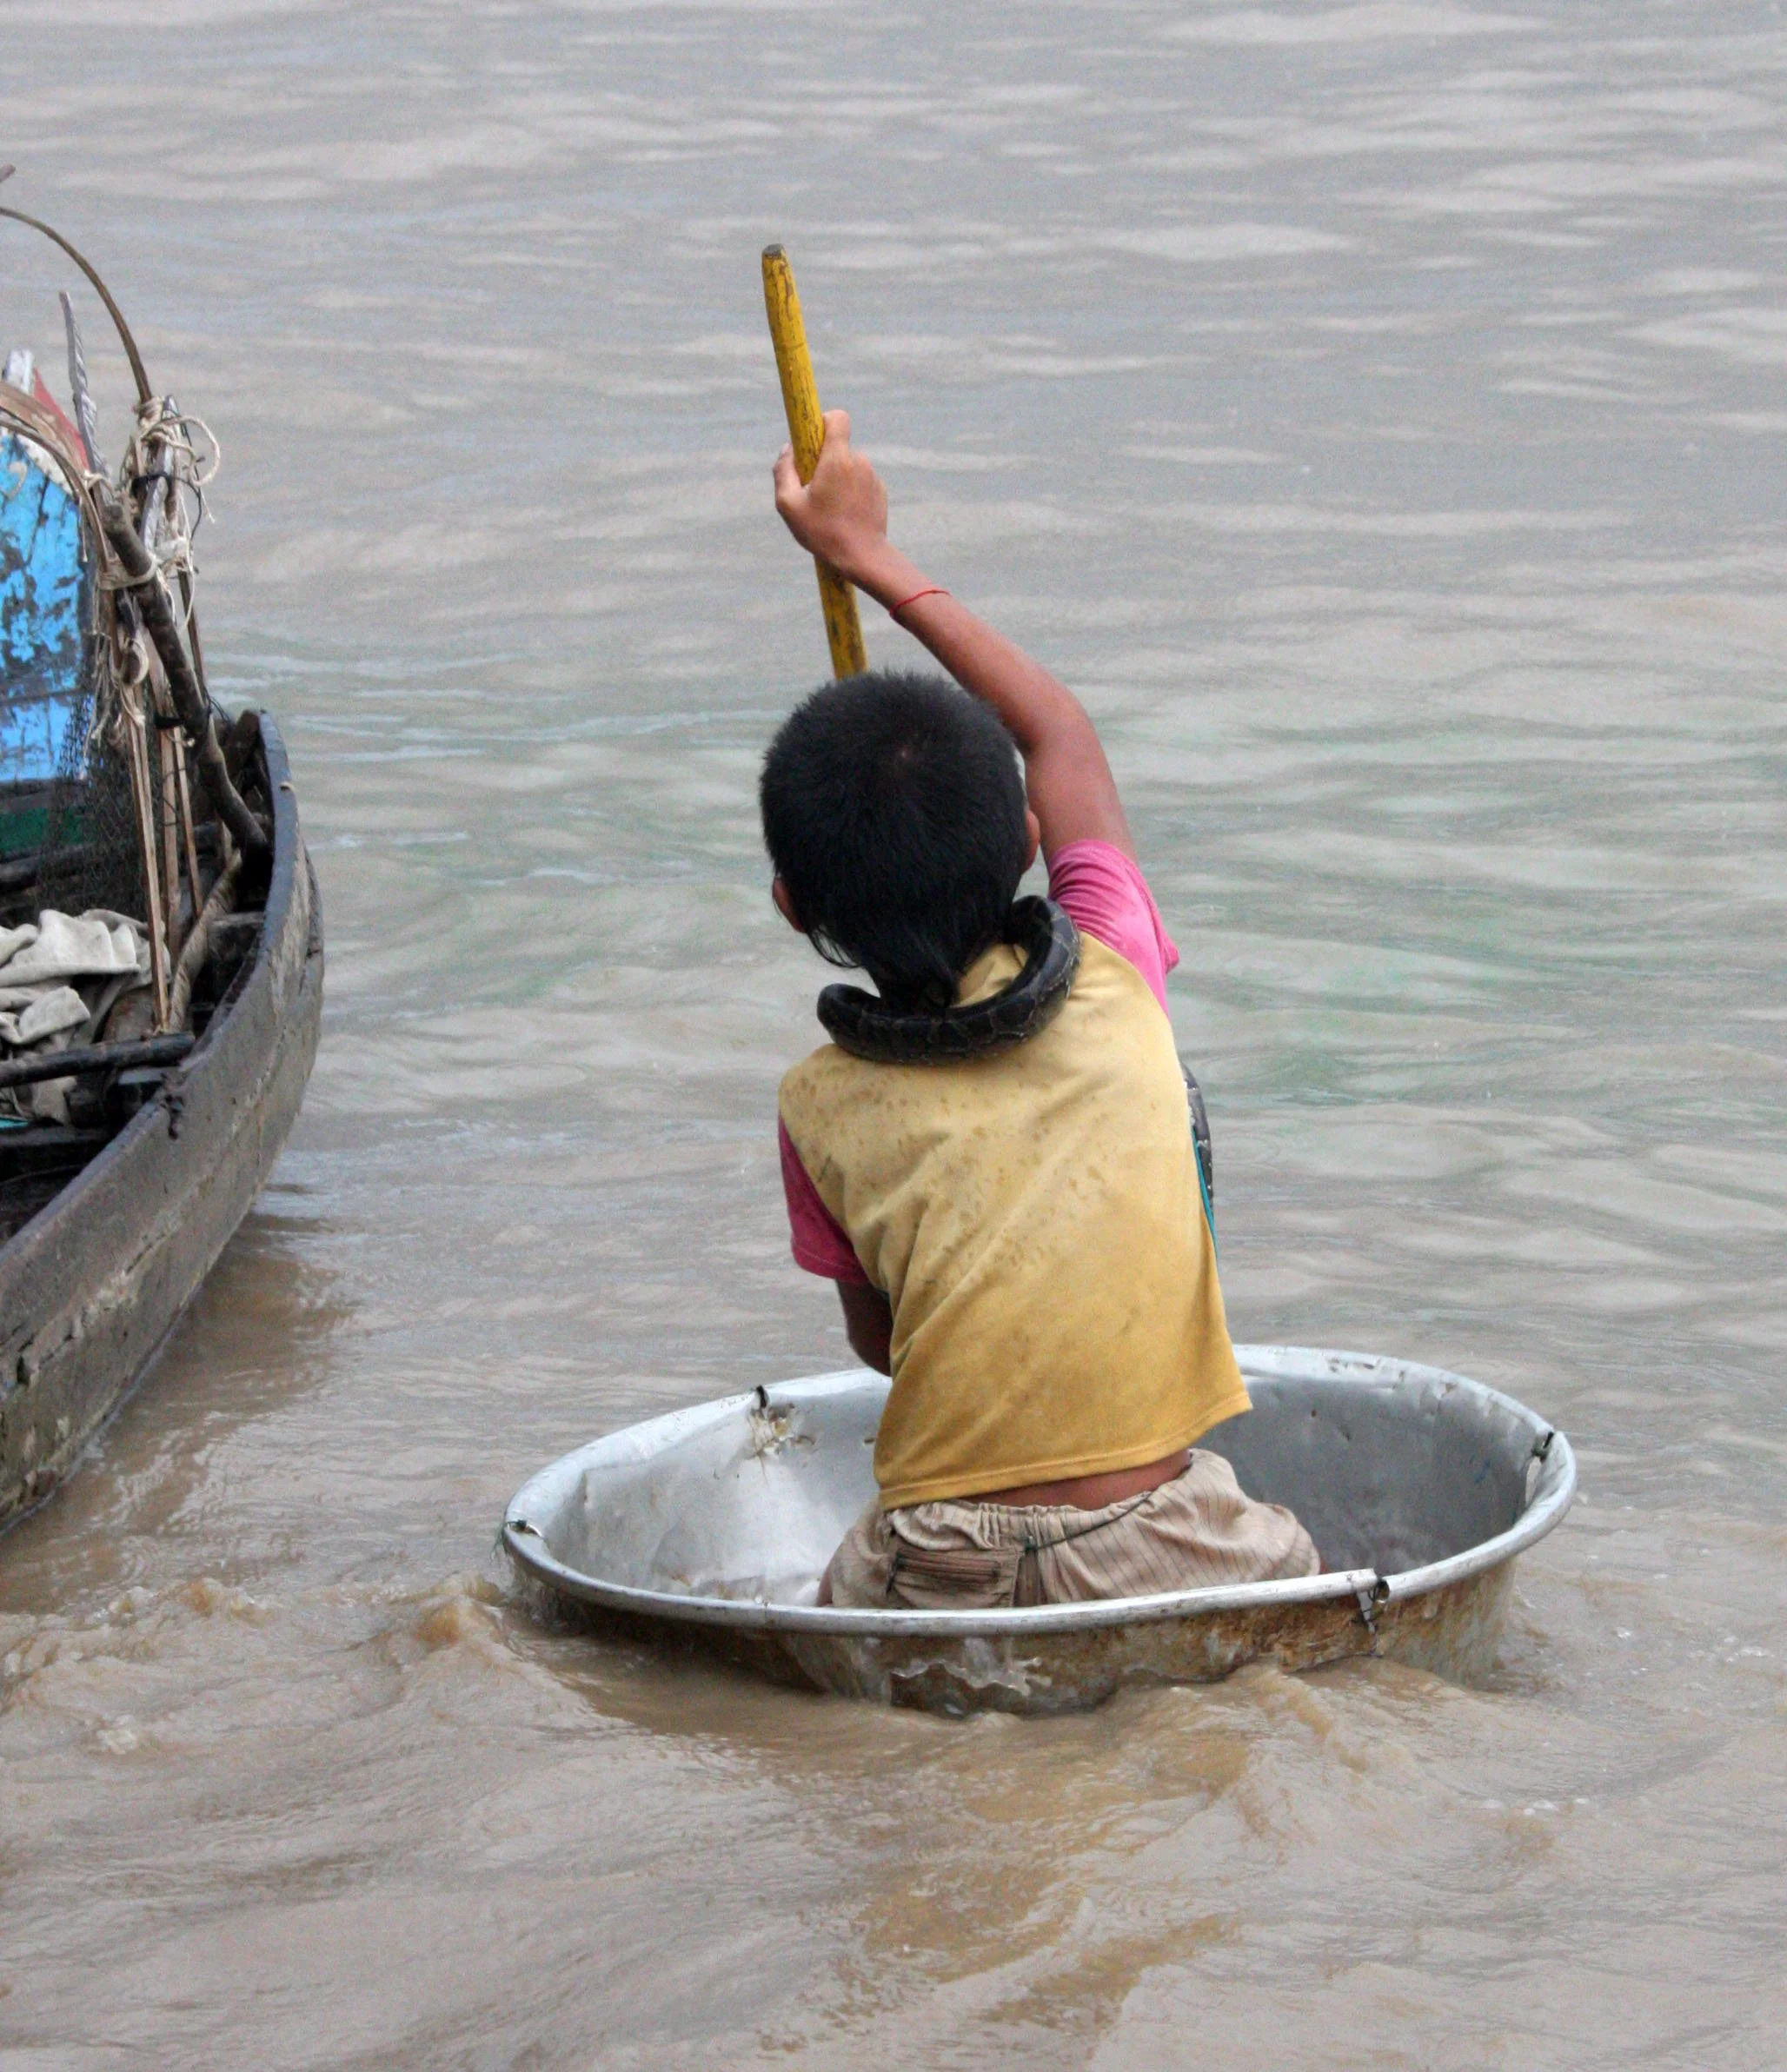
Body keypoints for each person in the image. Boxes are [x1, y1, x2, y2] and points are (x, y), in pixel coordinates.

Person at [764, 412, 1319, 1610]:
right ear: (1024, 839)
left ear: (789, 902)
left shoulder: (815, 1102)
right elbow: (1057, 731)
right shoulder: (1113, 965)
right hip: (1179, 1541)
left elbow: (882, 1347)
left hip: (937, 1563)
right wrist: (869, 553)